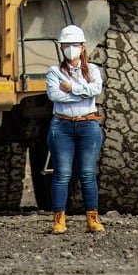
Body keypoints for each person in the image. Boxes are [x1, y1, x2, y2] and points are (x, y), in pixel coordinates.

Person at [45, 24, 105, 234]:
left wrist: (71, 88)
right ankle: (59, 220)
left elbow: (96, 89)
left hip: (88, 124)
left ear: (83, 47)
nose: (71, 48)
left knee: (88, 173)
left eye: (75, 44)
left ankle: (93, 218)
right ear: (61, 48)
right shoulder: (54, 71)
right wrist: (83, 92)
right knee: (62, 173)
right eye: (67, 45)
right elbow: (54, 95)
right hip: (62, 125)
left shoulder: (94, 70)